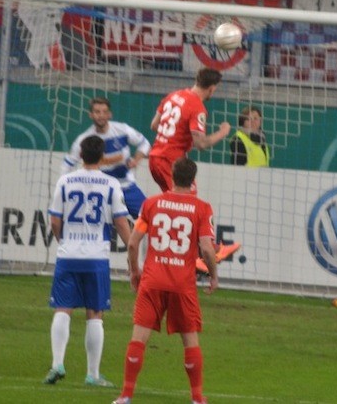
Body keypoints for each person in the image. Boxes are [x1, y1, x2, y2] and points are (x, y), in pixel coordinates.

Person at [112, 158, 218, 404]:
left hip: (152, 280)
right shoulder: (202, 208)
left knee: (138, 339)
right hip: (183, 284)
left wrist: (134, 271)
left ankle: (125, 396)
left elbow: (132, 243)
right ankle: (197, 398)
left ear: (171, 175)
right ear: (193, 180)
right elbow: (207, 249)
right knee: (190, 340)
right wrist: (213, 275)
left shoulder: (152, 204)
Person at [44, 135, 132, 387]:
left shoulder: (65, 180)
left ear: (81, 155)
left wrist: (64, 241)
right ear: (103, 157)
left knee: (63, 308)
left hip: (68, 255)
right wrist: (132, 252)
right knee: (95, 313)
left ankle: (57, 364)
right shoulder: (111, 183)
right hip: (96, 258)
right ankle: (92, 374)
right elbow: (121, 222)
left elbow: (54, 221)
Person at [62, 97, 150, 219]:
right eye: (97, 112)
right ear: (91, 115)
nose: (101, 116)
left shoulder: (122, 130)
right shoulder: (84, 139)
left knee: (149, 217)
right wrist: (64, 187)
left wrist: (136, 159)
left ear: (110, 114)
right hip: (99, 189)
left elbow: (144, 143)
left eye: (104, 112)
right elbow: (68, 163)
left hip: (125, 187)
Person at [148, 68, 230, 193]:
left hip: (154, 158)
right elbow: (201, 144)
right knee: (187, 201)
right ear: (212, 88)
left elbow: (154, 125)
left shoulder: (173, 95)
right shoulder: (197, 107)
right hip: (171, 161)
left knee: (172, 201)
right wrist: (222, 132)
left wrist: (173, 135)